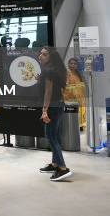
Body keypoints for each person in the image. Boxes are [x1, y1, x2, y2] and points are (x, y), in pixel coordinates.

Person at [38, 47, 72, 181]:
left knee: (51, 137)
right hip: (58, 105)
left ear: (50, 57)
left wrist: (44, 110)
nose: (40, 56)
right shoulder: (56, 69)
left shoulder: (48, 71)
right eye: (41, 53)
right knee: (55, 136)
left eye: (44, 54)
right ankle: (55, 164)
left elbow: (48, 92)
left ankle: (62, 168)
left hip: (52, 106)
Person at [63, 57, 86, 130]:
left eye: (74, 64)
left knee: (79, 121)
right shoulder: (67, 74)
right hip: (70, 101)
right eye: (71, 63)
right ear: (68, 64)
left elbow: (83, 88)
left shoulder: (79, 75)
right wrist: (76, 88)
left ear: (77, 65)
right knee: (72, 122)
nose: (72, 65)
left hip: (80, 101)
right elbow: (65, 87)